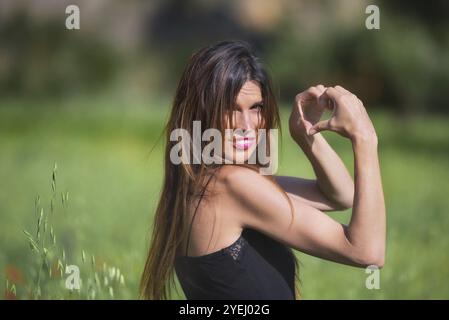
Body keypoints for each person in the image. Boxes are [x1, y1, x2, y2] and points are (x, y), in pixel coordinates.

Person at [140, 40, 386, 300]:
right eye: (229, 109)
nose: (246, 125)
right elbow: (367, 252)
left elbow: (339, 196)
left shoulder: (202, 182)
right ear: (199, 113)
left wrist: (305, 135)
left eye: (255, 108)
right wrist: (365, 137)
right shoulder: (232, 184)